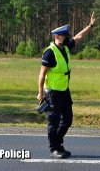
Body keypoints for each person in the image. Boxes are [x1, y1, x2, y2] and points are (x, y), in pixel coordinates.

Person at [37, 12, 96, 159]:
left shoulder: (66, 47)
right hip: (52, 92)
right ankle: (54, 149)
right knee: (54, 121)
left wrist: (90, 26)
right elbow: (42, 74)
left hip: (64, 91)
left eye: (66, 35)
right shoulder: (49, 53)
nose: (67, 37)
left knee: (68, 119)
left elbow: (79, 37)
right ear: (57, 37)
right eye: (64, 36)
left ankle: (58, 142)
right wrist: (40, 93)